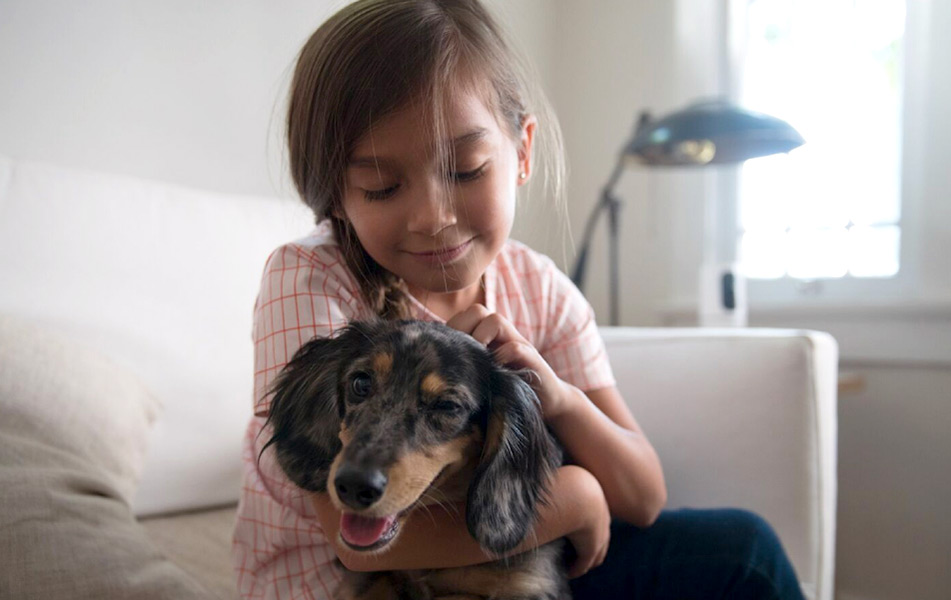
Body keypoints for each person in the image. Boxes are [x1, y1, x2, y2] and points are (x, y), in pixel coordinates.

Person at [231, 1, 806, 598]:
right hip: (355, 581)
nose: (433, 218)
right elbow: (350, 527)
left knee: (747, 553)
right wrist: (576, 500)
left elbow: (642, 496)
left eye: (466, 169)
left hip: (517, 560)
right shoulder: (309, 278)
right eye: (382, 186)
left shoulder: (541, 288)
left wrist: (557, 398)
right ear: (335, 196)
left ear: (522, 152)